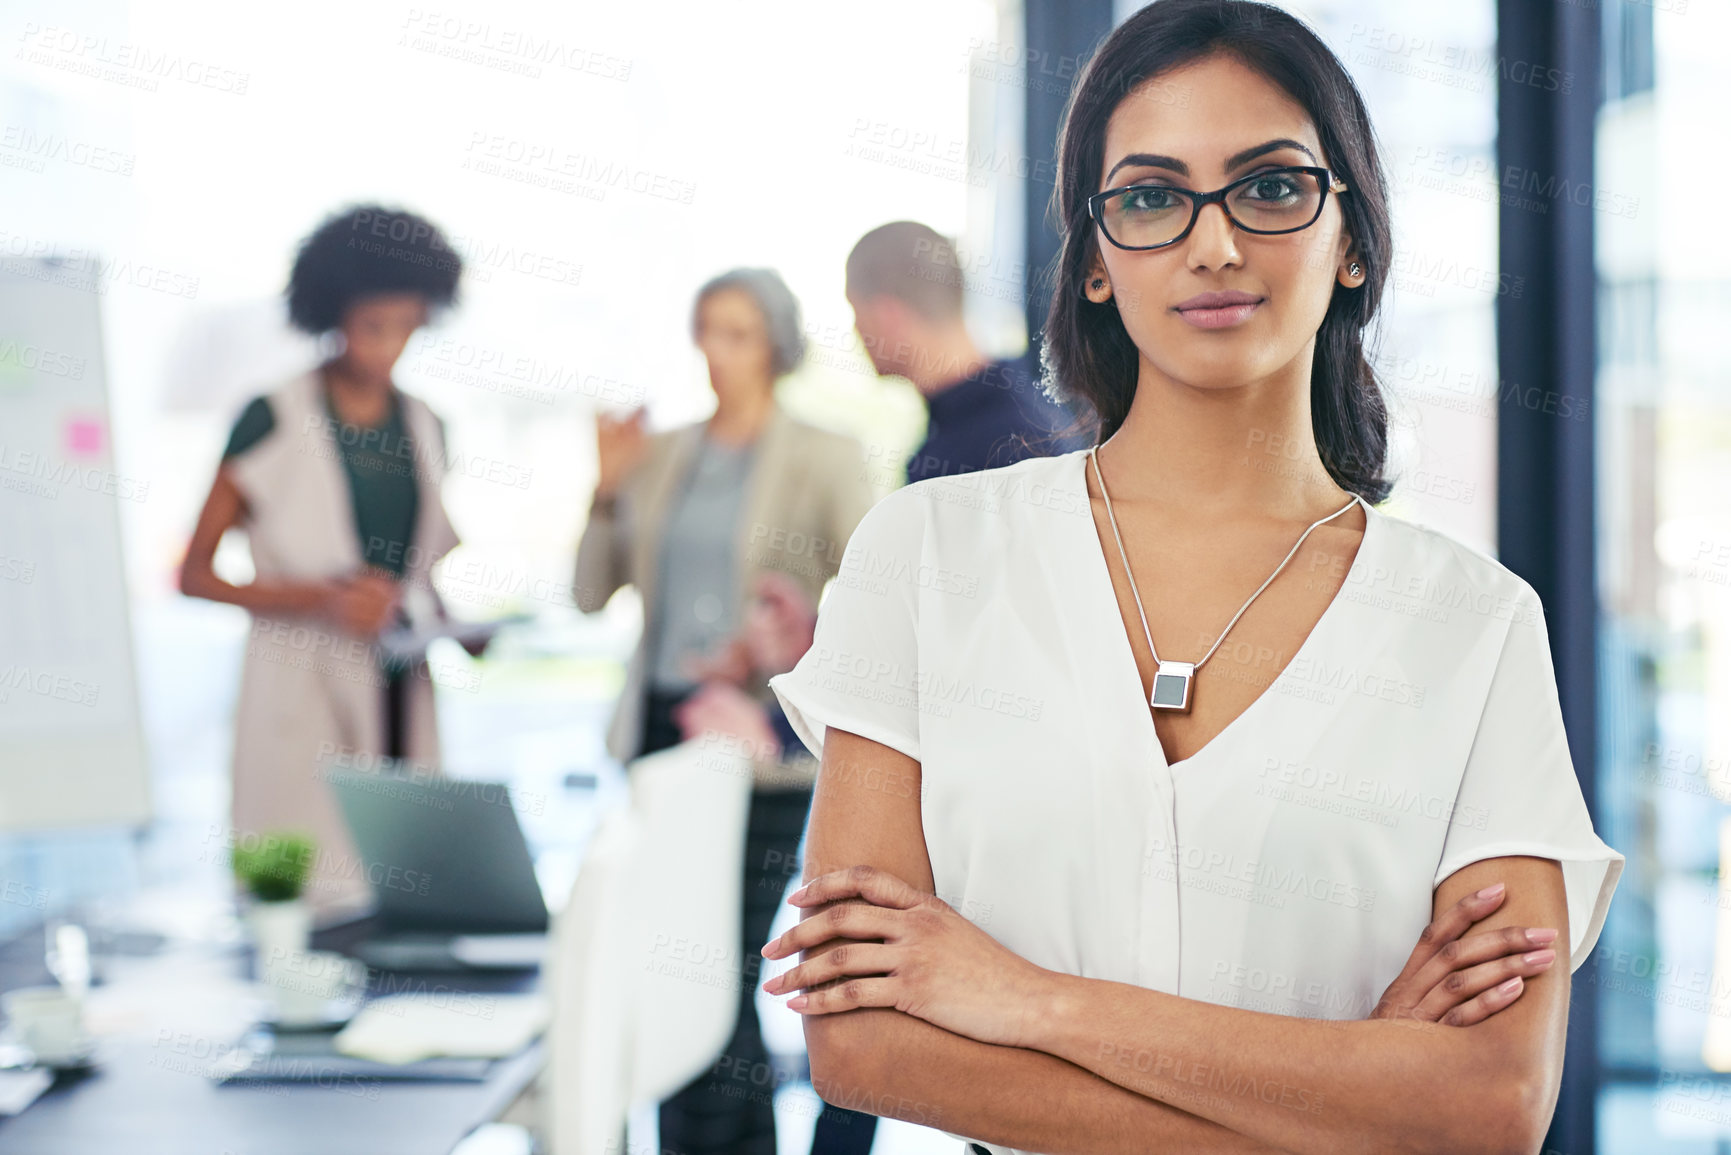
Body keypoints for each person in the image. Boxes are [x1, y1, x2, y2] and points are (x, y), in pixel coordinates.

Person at [760, 4, 1624, 1154]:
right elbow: (863, 1046)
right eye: (1152, 196)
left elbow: (1492, 1105)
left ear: (1352, 238)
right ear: (1099, 259)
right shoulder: (924, 558)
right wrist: (1354, 1088)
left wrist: (1024, 999)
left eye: (1270, 188)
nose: (1212, 246)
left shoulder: (1473, 626)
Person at [572, 267, 875, 1155]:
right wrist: (603, 487)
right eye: (707, 329)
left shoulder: (823, 453)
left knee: (723, 961)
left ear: (776, 347)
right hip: (665, 733)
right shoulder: (661, 453)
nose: (717, 352)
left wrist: (774, 646)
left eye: (739, 333)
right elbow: (591, 591)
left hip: (763, 743)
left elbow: (870, 603)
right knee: (674, 964)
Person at [803, 222, 1091, 1155]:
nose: (856, 339)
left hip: (1002, 810)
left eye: (855, 319)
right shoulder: (1006, 416)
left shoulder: (991, 450)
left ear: (885, 315)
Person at [180, 204, 470, 915]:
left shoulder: (427, 423)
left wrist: (457, 626)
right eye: (374, 325)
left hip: (400, 682)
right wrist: (318, 597)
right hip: (297, 682)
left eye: (406, 326)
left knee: (399, 885)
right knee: (303, 891)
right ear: (332, 313)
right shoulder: (270, 416)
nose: (388, 346)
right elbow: (194, 574)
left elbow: (415, 570)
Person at [845, 220, 1088, 487]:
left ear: (887, 317)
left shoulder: (1001, 448)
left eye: (856, 313)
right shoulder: (1023, 415)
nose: (854, 329)